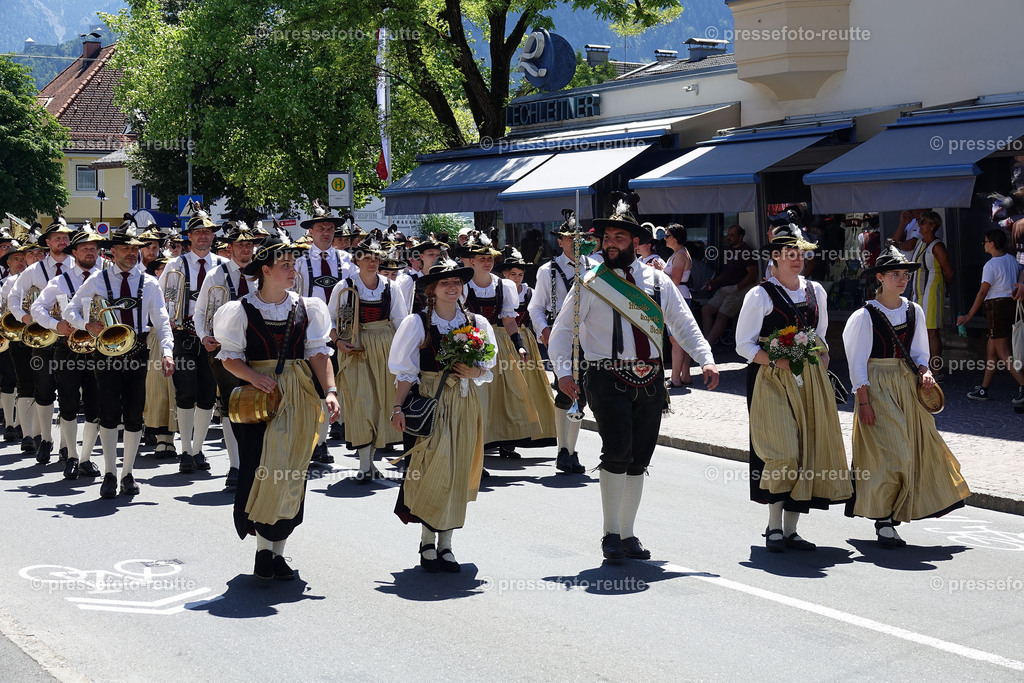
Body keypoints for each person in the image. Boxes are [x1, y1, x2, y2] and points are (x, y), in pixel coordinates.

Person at [550, 196, 718, 561]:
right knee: (617, 451)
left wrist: (706, 359)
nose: (610, 243)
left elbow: (683, 323)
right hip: (605, 376)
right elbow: (563, 332)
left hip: (652, 379)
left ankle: (628, 534)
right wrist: (563, 372)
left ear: (635, 243)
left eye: (618, 238)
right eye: (606, 236)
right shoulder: (590, 282)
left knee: (640, 457)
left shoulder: (657, 281)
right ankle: (610, 533)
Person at [213, 235, 340, 580]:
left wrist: (330, 390)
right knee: (261, 468)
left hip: (298, 392)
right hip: (257, 398)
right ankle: (263, 551)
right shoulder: (239, 310)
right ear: (265, 271)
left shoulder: (308, 307)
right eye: (285, 265)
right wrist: (254, 376)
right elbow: (229, 358)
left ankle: (276, 552)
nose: (292, 270)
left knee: (292, 470)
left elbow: (317, 352)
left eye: (294, 264)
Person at [843, 246, 970, 548]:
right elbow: (857, 362)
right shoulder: (864, 316)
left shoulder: (915, 310)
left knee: (916, 450)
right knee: (893, 452)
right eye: (895, 274)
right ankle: (883, 518)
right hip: (877, 386)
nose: (902, 279)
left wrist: (925, 372)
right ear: (881, 278)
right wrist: (863, 401)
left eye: (905, 274)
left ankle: (893, 514)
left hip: (907, 386)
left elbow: (920, 354)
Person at [735, 225, 852, 552]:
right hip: (770, 379)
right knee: (782, 450)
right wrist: (777, 360)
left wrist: (822, 358)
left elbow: (821, 336)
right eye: (790, 253)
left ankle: (791, 530)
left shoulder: (817, 291)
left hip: (809, 378)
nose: (797, 259)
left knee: (807, 451)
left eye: (801, 253)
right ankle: (773, 526)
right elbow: (742, 345)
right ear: (774, 256)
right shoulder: (759, 295)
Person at [388, 258, 497, 572]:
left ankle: (446, 544)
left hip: (464, 403)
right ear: (432, 290)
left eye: (457, 283)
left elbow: (487, 370)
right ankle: (426, 541)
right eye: (446, 283)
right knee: (432, 470)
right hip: (430, 402)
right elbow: (405, 372)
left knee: (457, 471)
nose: (453, 287)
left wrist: (474, 369)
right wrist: (397, 407)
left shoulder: (477, 323)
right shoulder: (417, 323)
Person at [65, 222, 175, 499]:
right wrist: (85, 325)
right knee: (109, 412)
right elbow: (70, 309)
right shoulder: (98, 279)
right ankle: (110, 472)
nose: (131, 253)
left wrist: (168, 351)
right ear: (112, 251)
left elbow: (161, 320)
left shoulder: (149, 282)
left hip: (137, 349)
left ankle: (128, 472)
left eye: (134, 248)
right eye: (125, 248)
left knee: (135, 414)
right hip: (106, 350)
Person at [328, 236, 406, 481]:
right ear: (357, 260)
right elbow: (329, 322)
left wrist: (403, 352)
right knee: (361, 401)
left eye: (376, 258)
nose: (372, 262)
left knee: (382, 402)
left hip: (385, 345)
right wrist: (339, 342)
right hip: (356, 348)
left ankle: (370, 462)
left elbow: (401, 321)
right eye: (367, 258)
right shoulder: (344, 286)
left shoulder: (390, 287)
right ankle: (364, 464)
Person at [30, 230, 104, 479]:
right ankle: (71, 455)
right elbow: (36, 307)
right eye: (85, 249)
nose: (90, 252)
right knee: (69, 402)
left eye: (94, 248)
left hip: (98, 348)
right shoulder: (60, 281)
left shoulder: (105, 279)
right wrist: (55, 324)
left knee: (95, 404)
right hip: (67, 347)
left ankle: (86, 458)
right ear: (74, 253)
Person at [463, 236, 547, 459]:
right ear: (471, 261)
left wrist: (519, 345)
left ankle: (501, 442)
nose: (487, 262)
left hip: (496, 342)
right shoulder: (462, 286)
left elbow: (509, 320)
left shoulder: (504, 285)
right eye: (481, 258)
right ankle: (475, 453)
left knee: (503, 395)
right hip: (469, 342)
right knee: (477, 398)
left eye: (489, 258)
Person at [527, 211, 597, 473]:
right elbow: (535, 307)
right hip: (562, 338)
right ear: (561, 242)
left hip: (590, 339)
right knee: (566, 390)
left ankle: (572, 448)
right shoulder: (548, 270)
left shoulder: (593, 267)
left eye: (579, 238)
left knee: (584, 394)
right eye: (570, 238)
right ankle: (562, 450)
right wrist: (543, 329)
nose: (575, 242)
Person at [195, 222, 264, 488]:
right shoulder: (216, 274)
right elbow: (200, 311)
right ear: (230, 248)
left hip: (258, 345)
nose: (246, 249)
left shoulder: (262, 271)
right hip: (226, 348)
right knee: (231, 405)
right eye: (240, 245)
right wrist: (204, 337)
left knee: (260, 402)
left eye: (249, 244)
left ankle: (257, 461)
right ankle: (236, 465)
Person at [160, 203, 226, 473]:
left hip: (213, 337)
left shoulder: (222, 266)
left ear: (213, 236)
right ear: (189, 237)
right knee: (186, 392)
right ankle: (186, 448)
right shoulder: (175, 265)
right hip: (183, 335)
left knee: (209, 394)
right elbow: (162, 301)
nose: (203, 236)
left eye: (207, 232)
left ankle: (198, 449)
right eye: (197, 232)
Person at [292, 201, 355, 464]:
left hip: (343, 330)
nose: (326, 232)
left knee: (338, 385)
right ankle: (319, 441)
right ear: (311, 232)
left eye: (330, 228)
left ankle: (332, 433)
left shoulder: (348, 260)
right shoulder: (298, 261)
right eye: (321, 228)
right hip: (310, 332)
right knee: (317, 387)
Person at [10, 215, 75, 463]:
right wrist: (24, 318)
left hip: (71, 338)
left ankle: (67, 445)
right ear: (47, 242)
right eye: (57, 238)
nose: (62, 241)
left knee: (70, 394)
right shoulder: (34, 270)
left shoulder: (78, 268)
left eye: (65, 237)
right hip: (44, 337)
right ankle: (46, 439)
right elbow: (15, 297)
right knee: (44, 390)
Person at [956, 229, 1024, 404]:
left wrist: (969, 315)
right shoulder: (1011, 259)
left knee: (1003, 353)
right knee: (992, 351)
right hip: (1009, 305)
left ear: (992, 243)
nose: (984, 244)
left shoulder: (990, 265)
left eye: (985, 241)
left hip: (996, 308)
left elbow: (982, 292)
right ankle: (984, 389)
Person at [4, 237, 47, 455]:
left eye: (40, 253)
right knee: (25, 385)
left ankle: (40, 433)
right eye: (31, 254)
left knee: (45, 387)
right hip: (21, 338)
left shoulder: (52, 277)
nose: (36, 258)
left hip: (46, 337)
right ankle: (28, 434)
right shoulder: (12, 282)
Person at [907, 211, 953, 373]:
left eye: (923, 221)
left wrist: (947, 289)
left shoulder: (937, 246)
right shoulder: (920, 242)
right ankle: (923, 367)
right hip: (918, 291)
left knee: (932, 331)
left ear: (932, 226)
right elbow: (902, 245)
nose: (919, 224)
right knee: (918, 329)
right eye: (919, 221)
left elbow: (949, 272)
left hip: (932, 290)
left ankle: (936, 370)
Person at [142, 257, 178, 458]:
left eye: (166, 268)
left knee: (173, 390)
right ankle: (157, 434)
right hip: (154, 338)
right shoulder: (148, 287)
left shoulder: (178, 288)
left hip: (176, 339)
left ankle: (169, 439)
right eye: (160, 269)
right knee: (156, 389)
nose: (163, 272)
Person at [701, 224, 757, 346]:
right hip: (724, 288)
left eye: (732, 235)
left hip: (738, 289)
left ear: (740, 236)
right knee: (706, 309)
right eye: (728, 234)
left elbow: (752, 274)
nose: (729, 237)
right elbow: (727, 272)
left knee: (722, 315)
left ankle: (708, 345)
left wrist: (738, 287)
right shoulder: (730, 250)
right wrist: (715, 280)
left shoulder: (746, 251)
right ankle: (706, 342)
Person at [663, 224, 694, 388]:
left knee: (676, 339)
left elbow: (674, 280)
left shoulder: (680, 255)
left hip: (678, 297)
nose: (664, 238)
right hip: (680, 296)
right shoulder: (678, 254)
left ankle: (675, 378)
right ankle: (685, 375)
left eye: (667, 235)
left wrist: (659, 273)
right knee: (681, 338)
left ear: (675, 237)